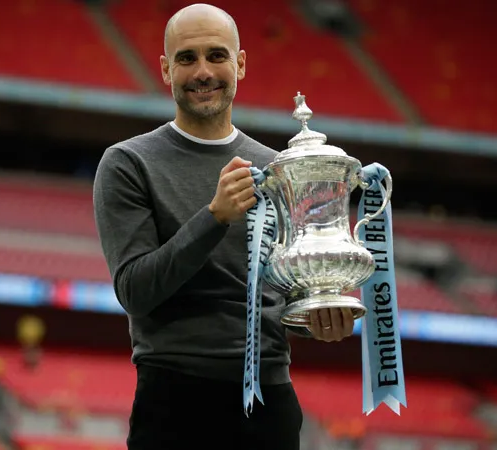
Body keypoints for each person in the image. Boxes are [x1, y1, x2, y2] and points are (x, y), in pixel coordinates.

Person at [93, 4, 355, 449]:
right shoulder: (128, 163)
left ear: (241, 63)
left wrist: (319, 315)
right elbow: (135, 291)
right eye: (186, 58)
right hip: (175, 402)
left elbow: (284, 295)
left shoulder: (279, 169)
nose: (202, 71)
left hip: (268, 399)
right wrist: (213, 217)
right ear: (164, 69)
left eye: (217, 55)